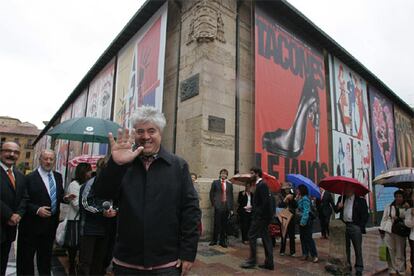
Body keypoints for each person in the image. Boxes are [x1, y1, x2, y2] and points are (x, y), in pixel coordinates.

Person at [93, 106, 201, 275]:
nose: (145, 137)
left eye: (152, 131)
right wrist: (116, 165)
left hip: (166, 264)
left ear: (160, 133)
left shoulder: (178, 166)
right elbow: (100, 194)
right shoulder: (123, 164)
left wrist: (188, 252)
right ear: (134, 133)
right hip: (126, 262)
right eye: (140, 131)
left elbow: (191, 210)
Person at [17, 149, 74, 275]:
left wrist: (65, 198)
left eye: (51, 159)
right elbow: (23, 200)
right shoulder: (29, 178)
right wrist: (37, 209)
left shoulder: (58, 177)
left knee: (45, 259)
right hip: (30, 227)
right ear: (40, 159)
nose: (48, 161)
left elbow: (57, 195)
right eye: (45, 158)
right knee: (26, 260)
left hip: (50, 226)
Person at [78, 158, 117, 276]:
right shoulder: (91, 183)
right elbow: (85, 203)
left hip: (106, 230)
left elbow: (117, 202)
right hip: (90, 229)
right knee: (86, 262)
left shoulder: (113, 184)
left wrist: (115, 210)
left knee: (101, 262)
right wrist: (101, 212)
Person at [0, 142, 27, 276]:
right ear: (1, 152)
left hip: (9, 230)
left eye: (16, 152)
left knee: (2, 264)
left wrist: (18, 215)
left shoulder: (20, 176)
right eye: (8, 151)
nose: (11, 154)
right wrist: (9, 215)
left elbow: (24, 198)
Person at [241, 167, 274, 270]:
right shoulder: (259, 185)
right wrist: (253, 207)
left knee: (251, 235)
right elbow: (261, 202)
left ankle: (252, 261)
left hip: (261, 218)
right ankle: (269, 263)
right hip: (262, 217)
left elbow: (265, 203)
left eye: (252, 173)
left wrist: (256, 212)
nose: (250, 175)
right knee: (265, 238)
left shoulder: (262, 185)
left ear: (257, 174)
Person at [65, 162, 92, 275]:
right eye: (89, 171)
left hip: (84, 220)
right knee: (73, 246)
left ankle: (78, 266)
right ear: (83, 172)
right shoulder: (74, 185)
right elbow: (76, 205)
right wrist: (90, 206)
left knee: (82, 246)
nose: (91, 173)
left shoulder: (88, 184)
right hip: (75, 220)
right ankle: (71, 266)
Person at [335, 186, 369, 276]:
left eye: (348, 189)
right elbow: (336, 211)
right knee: (346, 248)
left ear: (353, 189)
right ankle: (347, 265)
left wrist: (360, 227)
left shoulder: (361, 200)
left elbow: (365, 215)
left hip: (355, 226)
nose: (346, 190)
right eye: (345, 189)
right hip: (344, 226)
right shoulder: (341, 198)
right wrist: (338, 207)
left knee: (357, 248)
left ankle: (359, 268)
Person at [380, 190, 407, 275]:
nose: (398, 198)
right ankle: (392, 269)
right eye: (397, 196)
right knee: (390, 251)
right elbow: (384, 218)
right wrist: (382, 230)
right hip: (389, 231)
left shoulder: (406, 207)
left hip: (400, 232)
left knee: (400, 251)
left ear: (403, 198)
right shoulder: (389, 206)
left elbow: (409, 220)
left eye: (400, 196)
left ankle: (401, 270)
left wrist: (399, 218)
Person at [209, 168, 234, 248]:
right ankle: (214, 240)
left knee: (224, 224)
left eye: (225, 174)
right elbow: (211, 193)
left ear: (227, 175)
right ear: (220, 174)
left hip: (226, 206)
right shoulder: (215, 183)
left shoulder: (229, 184)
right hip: (218, 206)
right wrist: (214, 204)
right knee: (217, 224)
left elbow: (231, 196)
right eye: (222, 173)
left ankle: (222, 241)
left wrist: (231, 208)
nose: (224, 175)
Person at [296, 184, 318, 263]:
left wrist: (303, 222)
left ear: (301, 190)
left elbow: (306, 211)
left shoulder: (305, 199)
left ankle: (314, 255)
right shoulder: (300, 198)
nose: (297, 190)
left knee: (308, 238)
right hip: (301, 221)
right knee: (302, 238)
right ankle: (305, 254)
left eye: (298, 189)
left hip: (306, 221)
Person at [278, 182, 297, 256]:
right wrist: (285, 199)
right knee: (283, 234)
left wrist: (292, 199)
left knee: (292, 235)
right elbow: (279, 206)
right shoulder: (281, 195)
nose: (287, 190)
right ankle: (282, 250)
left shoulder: (293, 195)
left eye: (288, 188)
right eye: (286, 188)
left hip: (291, 216)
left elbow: (296, 206)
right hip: (284, 216)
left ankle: (292, 251)